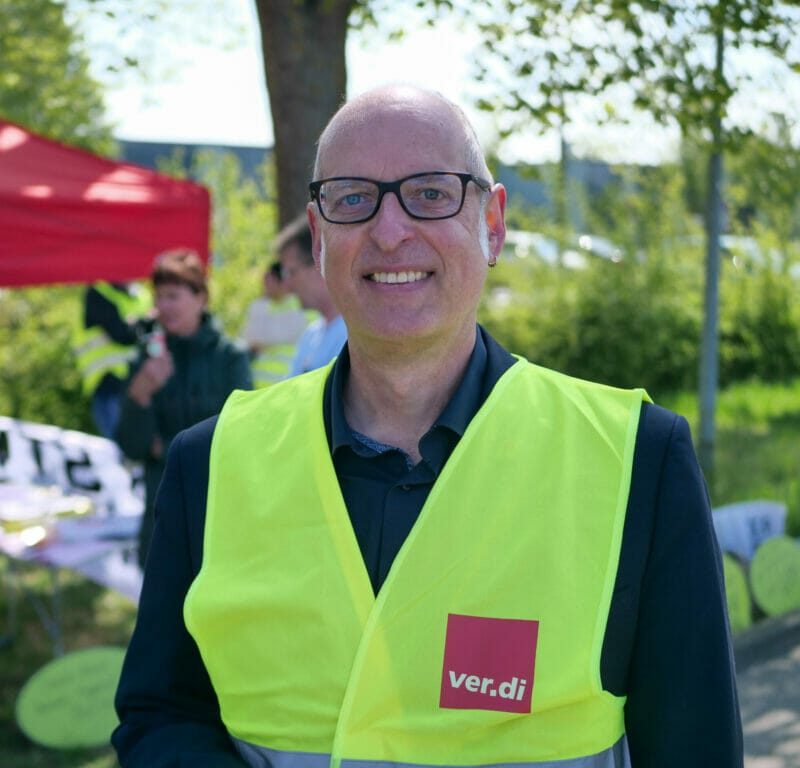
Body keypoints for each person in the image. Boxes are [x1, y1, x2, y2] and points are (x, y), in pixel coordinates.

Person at [112, 85, 743, 766]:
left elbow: (696, 749)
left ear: (492, 223)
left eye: (432, 193)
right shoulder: (210, 463)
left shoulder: (636, 460)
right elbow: (161, 714)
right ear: (319, 237)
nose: (390, 231)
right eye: (353, 198)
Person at [115, 249, 252, 568]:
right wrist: (140, 393)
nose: (163, 306)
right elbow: (132, 446)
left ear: (201, 297)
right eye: (159, 297)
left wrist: (164, 449)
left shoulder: (230, 358)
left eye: (173, 296)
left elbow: (238, 439)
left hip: (219, 516)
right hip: (163, 518)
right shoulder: (146, 360)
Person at [72, 280, 154, 439]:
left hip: (143, 385)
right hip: (109, 385)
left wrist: (137, 324)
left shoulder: (143, 295)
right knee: (121, 444)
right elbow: (121, 334)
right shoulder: (99, 292)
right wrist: (144, 323)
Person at [277, 212, 348, 376]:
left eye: (291, 272)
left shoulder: (353, 337)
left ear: (319, 261)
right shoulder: (311, 335)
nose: (287, 285)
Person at [240, 261, 310, 387]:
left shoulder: (299, 308)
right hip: (258, 385)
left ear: (282, 281)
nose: (265, 285)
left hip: (285, 384)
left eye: (269, 279)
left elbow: (256, 338)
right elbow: (247, 340)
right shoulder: (262, 305)